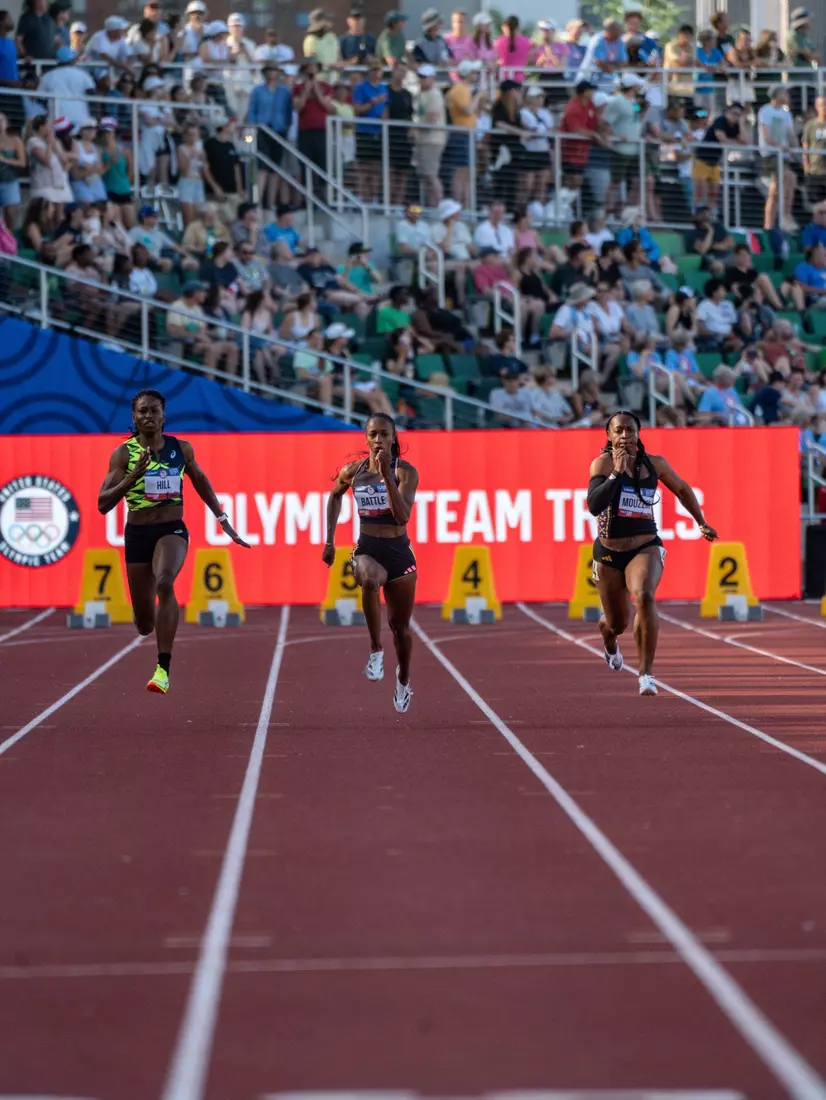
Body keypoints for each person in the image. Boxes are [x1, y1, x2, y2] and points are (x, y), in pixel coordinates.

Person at [97, 388, 250, 694]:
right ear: (134, 418)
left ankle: (162, 669)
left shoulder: (180, 449)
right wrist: (131, 478)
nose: (148, 416)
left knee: (166, 583)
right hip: (138, 534)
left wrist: (223, 521)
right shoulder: (123, 454)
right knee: (143, 624)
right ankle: (151, 624)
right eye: (142, 411)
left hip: (172, 530)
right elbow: (102, 504)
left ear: (164, 415)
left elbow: (201, 482)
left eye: (154, 410)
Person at [587, 410, 717, 696]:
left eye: (629, 430)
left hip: (645, 546)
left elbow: (682, 489)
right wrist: (616, 474)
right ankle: (608, 637)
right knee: (616, 623)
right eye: (618, 431)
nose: (624, 436)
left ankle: (645, 673)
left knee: (644, 595)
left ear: (638, 433)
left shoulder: (654, 464)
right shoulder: (602, 463)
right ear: (608, 435)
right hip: (609, 552)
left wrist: (701, 522)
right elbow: (594, 505)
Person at [323, 413, 418, 713]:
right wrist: (329, 540)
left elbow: (402, 516)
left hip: (399, 552)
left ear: (393, 438)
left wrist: (387, 476)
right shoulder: (354, 471)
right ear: (365, 438)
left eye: (384, 434)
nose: (378, 440)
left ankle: (403, 678)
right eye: (373, 434)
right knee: (368, 578)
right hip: (368, 547)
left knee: (401, 629)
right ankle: (376, 649)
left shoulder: (406, 472)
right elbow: (334, 496)